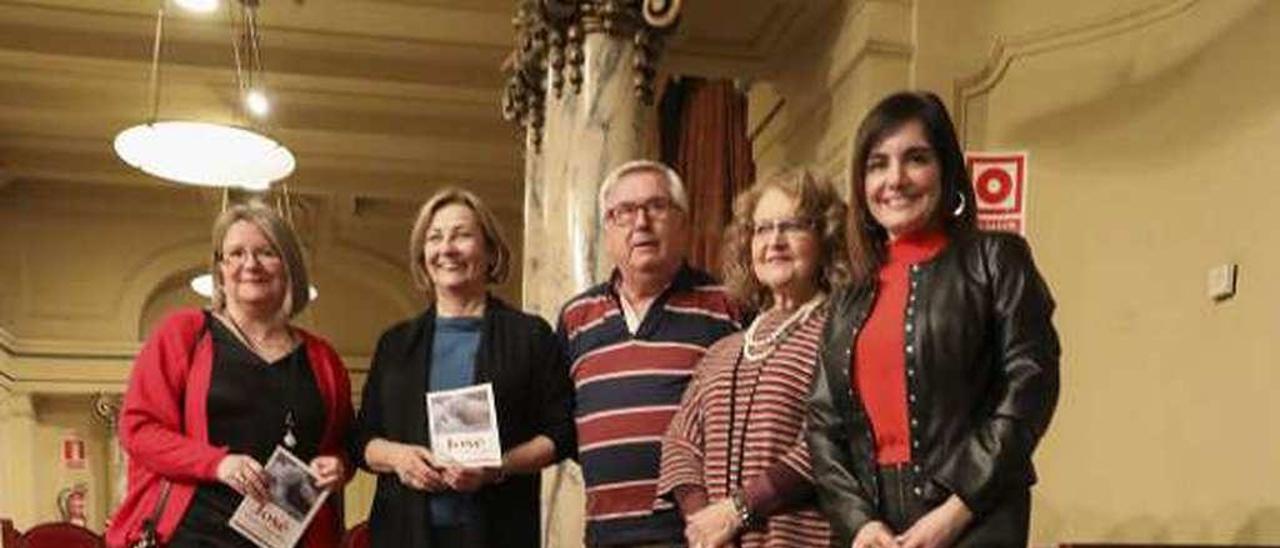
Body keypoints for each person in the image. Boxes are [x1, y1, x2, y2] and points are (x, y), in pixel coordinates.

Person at [807, 91, 1061, 548]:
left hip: (975, 518)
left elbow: (1030, 386)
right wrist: (860, 523)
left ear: (946, 170)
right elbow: (823, 426)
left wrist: (956, 510)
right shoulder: (847, 295)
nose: (895, 179)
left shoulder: (997, 259)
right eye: (877, 163)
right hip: (870, 532)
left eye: (916, 159)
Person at [108, 204, 353, 548]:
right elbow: (138, 429)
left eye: (266, 252)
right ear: (221, 270)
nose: (250, 264)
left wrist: (338, 465)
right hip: (194, 535)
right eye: (236, 253)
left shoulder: (323, 359)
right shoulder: (184, 333)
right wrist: (217, 464)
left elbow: (343, 446)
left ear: (290, 267)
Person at [351, 188, 574, 548]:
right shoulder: (395, 344)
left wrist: (497, 467)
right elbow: (361, 440)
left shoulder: (529, 336)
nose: (447, 248)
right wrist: (398, 458)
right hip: (402, 535)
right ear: (423, 256)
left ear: (490, 252)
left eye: (462, 235)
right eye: (435, 237)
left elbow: (560, 433)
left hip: (499, 533)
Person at [658, 169, 848, 548]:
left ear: (824, 239)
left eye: (793, 226)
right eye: (762, 229)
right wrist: (704, 524)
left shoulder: (841, 334)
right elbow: (679, 443)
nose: (774, 240)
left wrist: (739, 510)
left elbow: (830, 440)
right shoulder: (722, 350)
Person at [557, 160, 741, 547]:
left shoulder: (727, 306)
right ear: (607, 231)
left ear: (683, 223)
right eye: (623, 212)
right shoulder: (576, 317)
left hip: (697, 533)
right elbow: (568, 424)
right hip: (606, 533)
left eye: (656, 207)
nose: (640, 222)